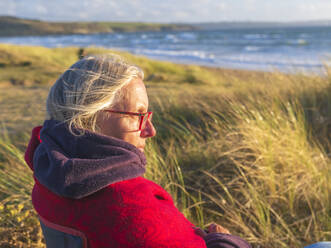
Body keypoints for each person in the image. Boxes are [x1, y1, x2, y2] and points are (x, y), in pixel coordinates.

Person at [24, 54, 251, 248]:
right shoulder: (131, 206)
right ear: (90, 118)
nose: (150, 130)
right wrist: (225, 240)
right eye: (139, 115)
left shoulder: (47, 173)